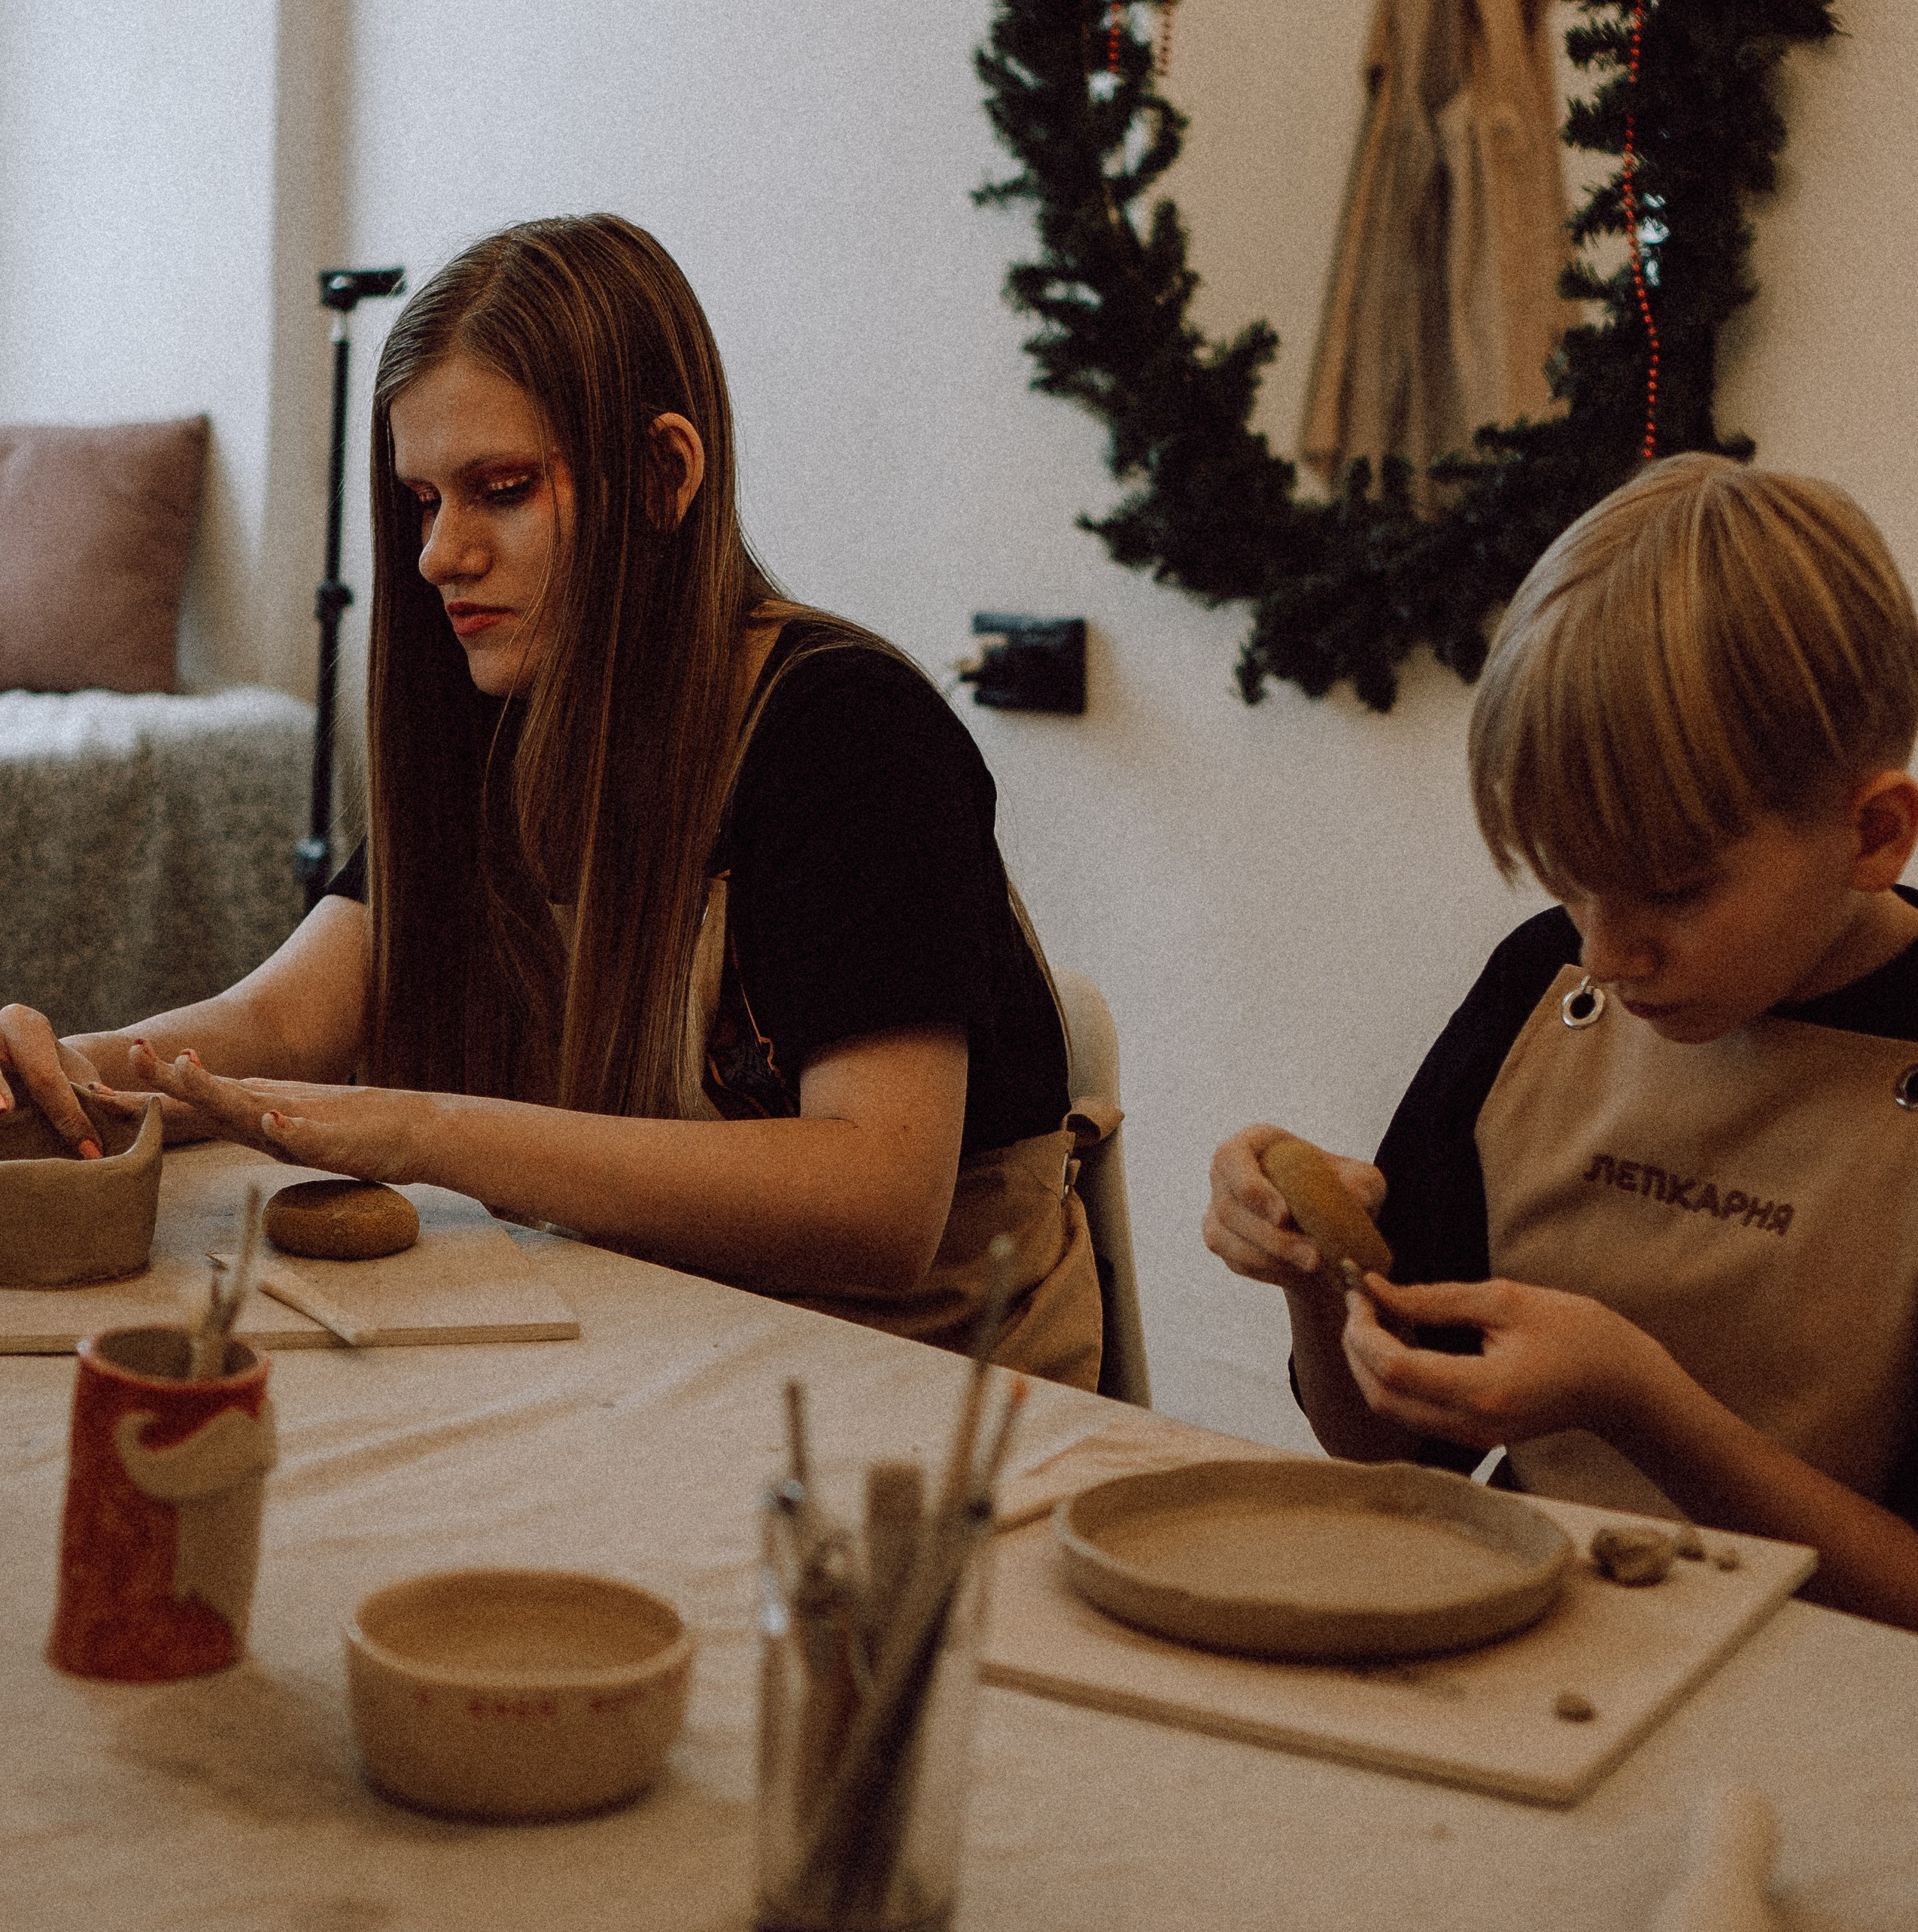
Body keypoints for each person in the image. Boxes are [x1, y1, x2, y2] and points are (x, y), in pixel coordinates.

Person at [0, 216, 1102, 1385]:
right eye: (424, 501)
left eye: (503, 491)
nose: (438, 554)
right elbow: (280, 1024)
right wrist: (64, 1070)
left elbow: (878, 1204)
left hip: (924, 1405)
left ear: (666, 476)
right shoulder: (502, 728)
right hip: (664, 1347)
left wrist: (433, 1133)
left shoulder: (849, 734)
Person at [1204, 453, 1918, 1630]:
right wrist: (1314, 1277)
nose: (1605, 956)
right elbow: (1390, 1459)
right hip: (1531, 1644)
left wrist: (1637, 1400)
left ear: (1874, 832)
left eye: (1675, 893)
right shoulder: (1542, 985)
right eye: (1570, 889)